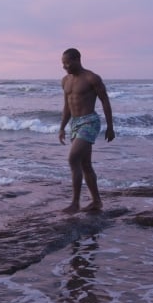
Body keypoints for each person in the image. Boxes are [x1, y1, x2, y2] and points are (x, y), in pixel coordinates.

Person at [58, 48, 115, 213]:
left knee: (73, 158)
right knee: (85, 164)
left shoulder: (91, 78)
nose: (64, 66)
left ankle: (75, 203)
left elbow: (105, 101)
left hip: (90, 122)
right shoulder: (65, 81)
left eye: (67, 63)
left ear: (77, 59)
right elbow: (67, 106)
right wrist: (62, 127)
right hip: (75, 124)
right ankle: (97, 201)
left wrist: (110, 127)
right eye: (62, 63)